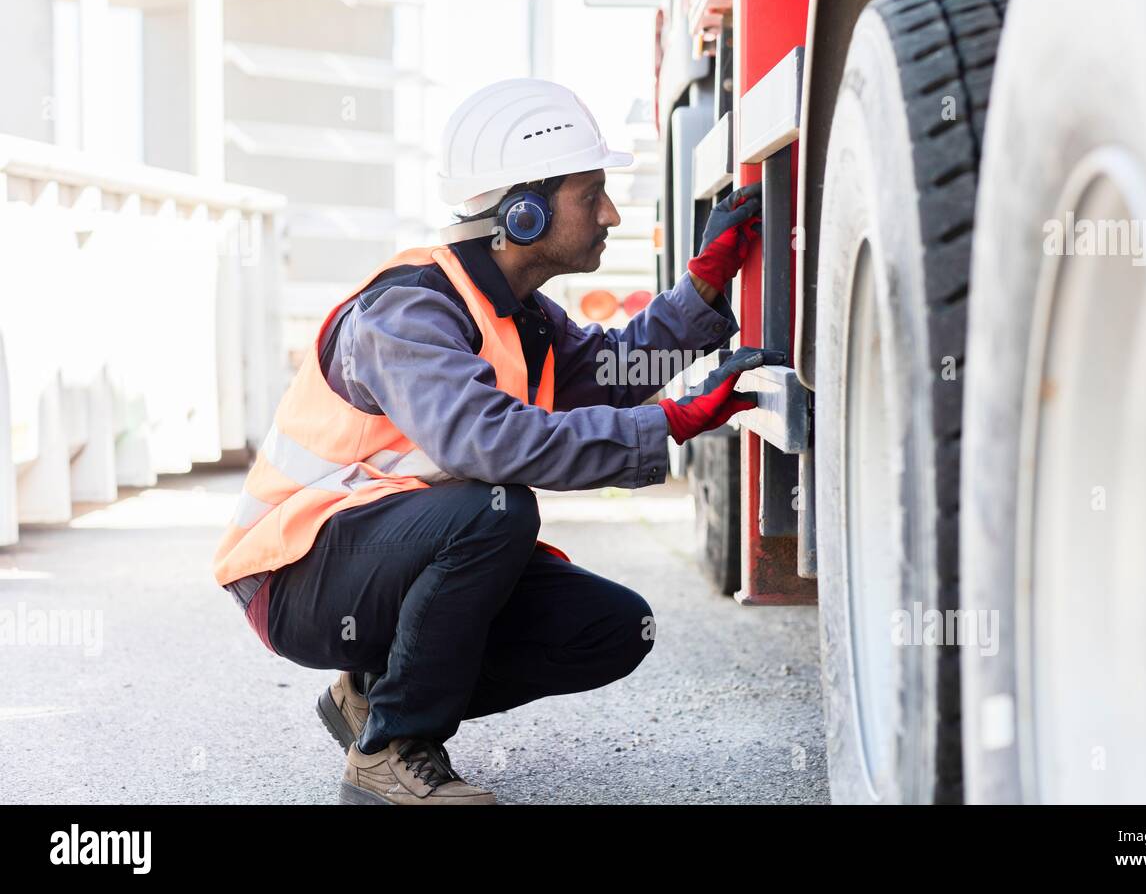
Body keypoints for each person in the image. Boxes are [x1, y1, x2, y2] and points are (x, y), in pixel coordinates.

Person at [212, 77, 778, 804]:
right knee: (498, 505)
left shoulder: (518, 315)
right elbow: (484, 443)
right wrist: (670, 423)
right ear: (525, 209)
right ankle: (393, 748)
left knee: (614, 628)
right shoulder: (408, 309)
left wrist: (703, 289)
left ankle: (370, 699)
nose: (608, 213)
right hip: (296, 575)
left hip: (378, 560)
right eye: (591, 192)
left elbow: (608, 374)